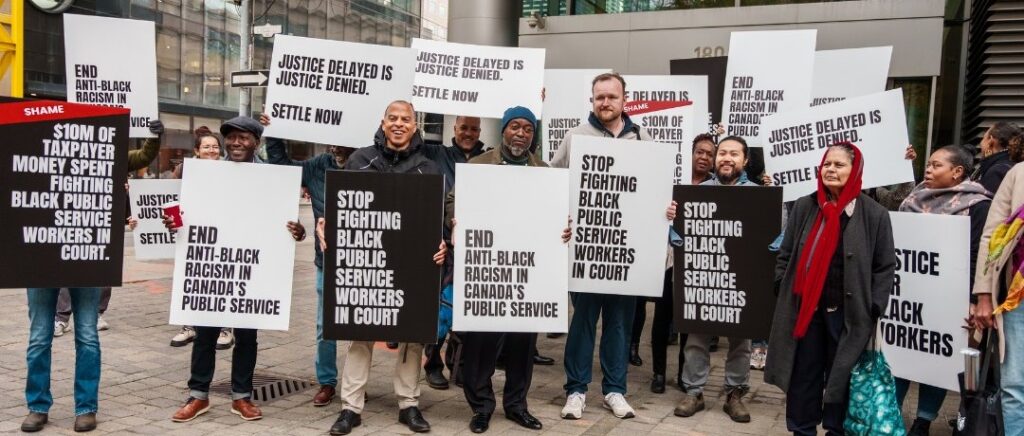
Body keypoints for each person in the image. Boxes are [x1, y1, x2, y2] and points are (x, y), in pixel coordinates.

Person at [19, 119, 165, 434]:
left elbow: (140, 158)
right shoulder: (33, 152)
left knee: (87, 336)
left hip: (86, 259)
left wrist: (155, 136)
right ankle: (37, 406)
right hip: (41, 260)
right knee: (38, 338)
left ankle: (85, 408)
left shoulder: (101, 151)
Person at [550, 72, 677, 420]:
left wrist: (665, 210)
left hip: (627, 253)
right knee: (583, 323)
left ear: (625, 100)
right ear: (591, 100)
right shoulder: (576, 137)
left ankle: (614, 390)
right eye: (599, 97)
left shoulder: (644, 138)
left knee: (619, 325)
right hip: (589, 250)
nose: (605, 102)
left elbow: (658, 191)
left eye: (612, 96)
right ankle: (575, 390)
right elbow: (553, 181)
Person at [169, 116, 307, 423]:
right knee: (205, 332)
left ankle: (241, 396)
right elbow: (184, 216)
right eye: (230, 137)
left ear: (256, 142)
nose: (235, 143)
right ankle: (198, 395)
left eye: (243, 138)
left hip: (252, 272)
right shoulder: (206, 174)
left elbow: (285, 223)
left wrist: (298, 231)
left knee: (247, 335)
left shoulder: (272, 178)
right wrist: (174, 222)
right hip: (214, 267)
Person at [443, 106, 567, 433]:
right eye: (515, 126)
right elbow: (452, 202)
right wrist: (457, 220)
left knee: (522, 346)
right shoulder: (478, 165)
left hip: (528, 275)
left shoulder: (544, 171)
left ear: (533, 135)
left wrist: (562, 230)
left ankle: (516, 405)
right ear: (503, 131)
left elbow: (556, 215)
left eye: (528, 128)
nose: (521, 133)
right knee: (482, 344)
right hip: (490, 270)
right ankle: (481, 406)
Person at [328, 100, 447, 436]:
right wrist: (328, 228)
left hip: (413, 264)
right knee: (359, 333)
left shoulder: (430, 168)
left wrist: (443, 244)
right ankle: (350, 408)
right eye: (392, 118)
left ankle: (408, 405)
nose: (398, 124)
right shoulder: (360, 160)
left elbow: (439, 220)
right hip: (369, 262)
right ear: (383, 122)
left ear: (414, 125)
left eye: (405, 119)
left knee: (412, 336)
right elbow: (342, 208)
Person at [764, 142, 896, 436]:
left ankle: (836, 430)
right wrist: (780, 282)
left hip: (850, 315)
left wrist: (874, 305)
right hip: (806, 312)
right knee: (804, 374)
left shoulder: (874, 215)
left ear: (856, 170)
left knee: (842, 375)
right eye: (827, 164)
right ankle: (802, 428)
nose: (831, 170)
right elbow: (786, 253)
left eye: (839, 165)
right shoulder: (805, 205)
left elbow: (885, 266)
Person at [893, 145, 990, 435]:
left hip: (950, 298)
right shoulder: (913, 198)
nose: (929, 169)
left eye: (936, 165)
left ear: (958, 172)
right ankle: (891, 414)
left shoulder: (978, 205)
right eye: (929, 164)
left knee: (937, 358)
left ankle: (923, 420)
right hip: (910, 294)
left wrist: (973, 300)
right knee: (902, 353)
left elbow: (978, 256)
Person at [262, 115, 355, 407]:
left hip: (362, 259)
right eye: (333, 142)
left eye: (343, 142)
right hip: (326, 261)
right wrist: (274, 133)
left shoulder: (368, 162)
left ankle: (356, 383)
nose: (336, 147)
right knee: (324, 325)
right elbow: (282, 170)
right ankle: (327, 381)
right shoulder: (317, 166)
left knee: (362, 326)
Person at [675, 136, 760, 422]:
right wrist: (673, 225)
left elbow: (775, 233)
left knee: (741, 341)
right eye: (722, 153)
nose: (726, 158)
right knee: (697, 336)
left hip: (742, 280)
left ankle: (734, 394)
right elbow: (678, 229)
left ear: (745, 160)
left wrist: (776, 233)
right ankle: (694, 392)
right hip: (705, 277)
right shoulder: (696, 192)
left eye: (734, 154)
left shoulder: (759, 195)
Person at [972, 133, 1024, 435]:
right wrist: (983, 295)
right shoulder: (1017, 174)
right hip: (1017, 296)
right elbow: (992, 236)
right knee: (1015, 383)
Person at [168, 127, 236, 350]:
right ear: (197, 151)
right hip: (193, 234)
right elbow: (171, 197)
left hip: (224, 232)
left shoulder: (230, 170)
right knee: (192, 279)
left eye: (215, 147)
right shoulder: (184, 171)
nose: (212, 150)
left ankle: (225, 328)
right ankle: (190, 326)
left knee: (224, 279)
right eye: (206, 147)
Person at [971, 121, 1023, 193]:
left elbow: (988, 203)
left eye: (984, 138)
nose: (981, 143)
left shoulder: (997, 172)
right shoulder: (1015, 166)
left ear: (990, 141)